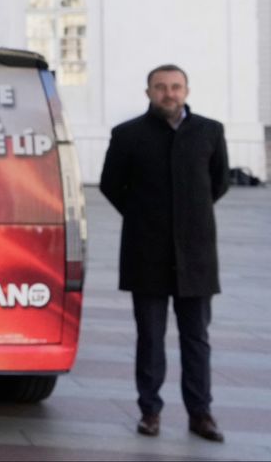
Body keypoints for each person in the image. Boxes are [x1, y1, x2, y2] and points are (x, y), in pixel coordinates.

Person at [100, 64, 229, 443]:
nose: (168, 94)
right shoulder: (128, 135)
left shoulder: (210, 131)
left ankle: (200, 413)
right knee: (150, 338)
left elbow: (218, 183)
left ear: (186, 90)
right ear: (148, 93)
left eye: (175, 87)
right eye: (161, 87)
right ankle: (150, 411)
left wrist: (189, 215)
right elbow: (110, 184)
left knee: (196, 338)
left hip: (197, 256)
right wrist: (143, 216)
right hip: (147, 253)